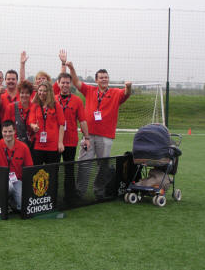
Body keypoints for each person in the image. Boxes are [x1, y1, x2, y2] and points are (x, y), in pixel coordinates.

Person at [66, 61, 132, 198]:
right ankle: (80, 192)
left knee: (103, 165)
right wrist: (71, 67)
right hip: (88, 136)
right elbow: (76, 82)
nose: (104, 79)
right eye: (101, 77)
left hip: (105, 136)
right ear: (96, 80)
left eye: (106, 77)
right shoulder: (90, 90)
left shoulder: (115, 93)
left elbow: (126, 93)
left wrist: (128, 87)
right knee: (83, 164)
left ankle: (99, 190)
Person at [56, 72, 90, 203]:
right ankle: (52, 196)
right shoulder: (52, 99)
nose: (65, 85)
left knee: (69, 171)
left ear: (70, 84)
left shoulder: (77, 100)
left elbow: (82, 120)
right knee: (54, 169)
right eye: (62, 82)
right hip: (56, 142)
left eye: (67, 82)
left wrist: (86, 138)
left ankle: (69, 197)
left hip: (70, 141)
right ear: (58, 83)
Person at [29, 81, 65, 165]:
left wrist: (60, 143)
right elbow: (31, 121)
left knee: (52, 172)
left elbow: (62, 125)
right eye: (40, 90)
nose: (42, 93)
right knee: (36, 172)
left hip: (52, 146)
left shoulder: (56, 106)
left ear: (49, 92)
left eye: (44, 91)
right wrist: (34, 126)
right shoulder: (35, 105)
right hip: (38, 145)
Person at [3, 80, 34, 149]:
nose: (24, 95)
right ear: (18, 93)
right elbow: (6, 126)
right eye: (22, 93)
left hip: (32, 144)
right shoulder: (11, 107)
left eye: (27, 93)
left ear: (30, 94)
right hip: (15, 143)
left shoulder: (35, 107)